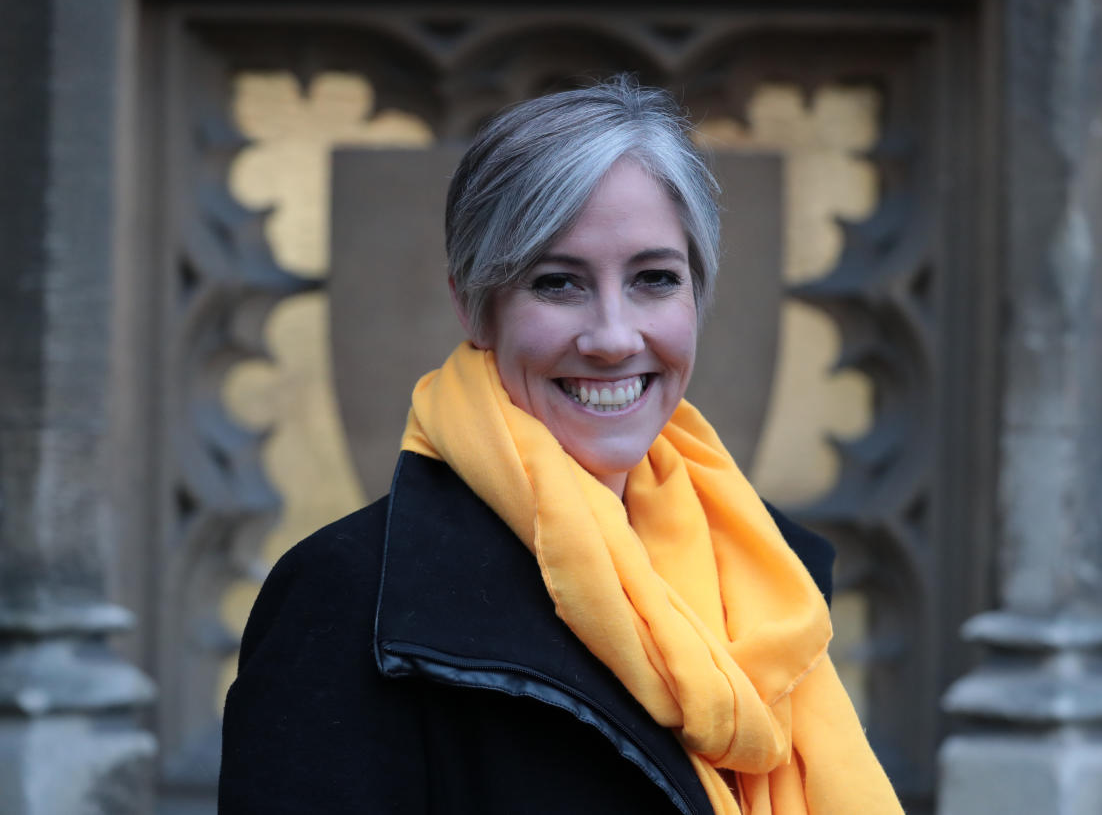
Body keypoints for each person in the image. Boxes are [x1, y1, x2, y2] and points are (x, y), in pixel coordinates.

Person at [219, 76, 902, 814]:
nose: (612, 337)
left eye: (653, 279)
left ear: (696, 297)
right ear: (474, 306)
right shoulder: (348, 600)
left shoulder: (771, 583)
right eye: (558, 283)